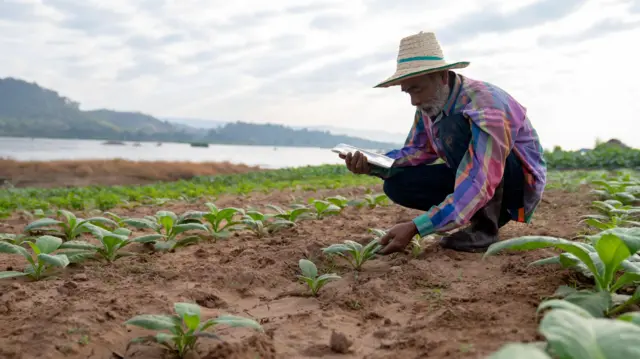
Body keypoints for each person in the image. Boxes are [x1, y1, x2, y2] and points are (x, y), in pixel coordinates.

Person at [339, 31, 547, 254]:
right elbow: (418, 151)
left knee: (454, 126)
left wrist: (416, 227)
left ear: (442, 77)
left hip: (512, 187)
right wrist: (373, 164)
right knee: (397, 183)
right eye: (408, 92)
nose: (414, 101)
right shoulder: (429, 105)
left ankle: (485, 229)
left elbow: (481, 177)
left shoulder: (485, 105)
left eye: (417, 89)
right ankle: (473, 217)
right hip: (470, 175)